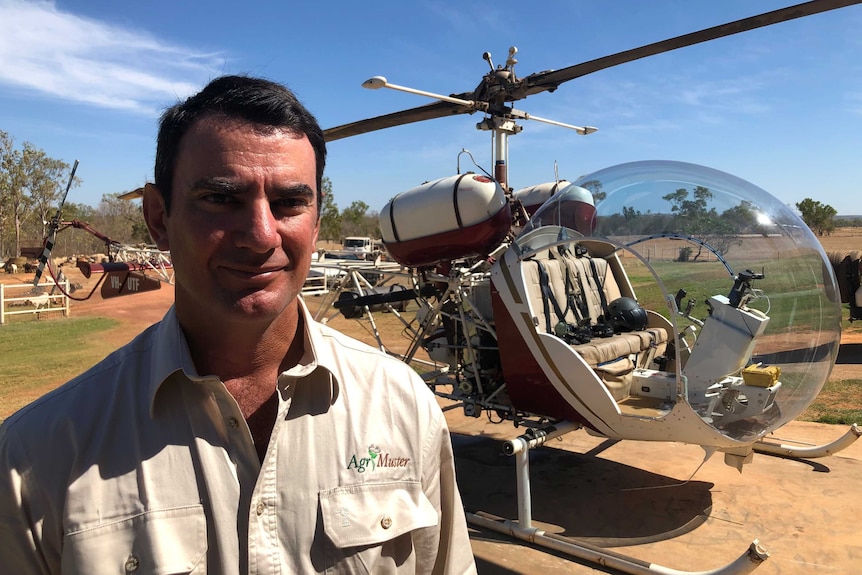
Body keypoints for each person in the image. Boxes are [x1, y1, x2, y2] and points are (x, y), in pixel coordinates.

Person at [0, 75, 477, 574]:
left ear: (315, 222)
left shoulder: (402, 407)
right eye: (220, 198)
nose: (260, 235)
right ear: (159, 218)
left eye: (291, 203)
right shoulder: (40, 454)